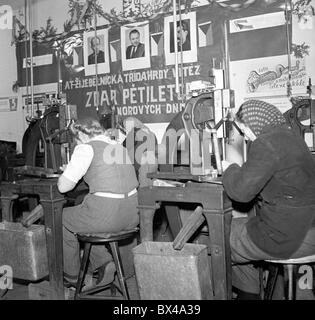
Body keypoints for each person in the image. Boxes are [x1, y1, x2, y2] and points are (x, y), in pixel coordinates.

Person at [221, 99, 315, 299]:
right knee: (241, 228)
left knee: (220, 238)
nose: (245, 135)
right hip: (309, 229)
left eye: (244, 129)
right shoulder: (292, 136)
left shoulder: (266, 142)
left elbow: (240, 193)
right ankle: (250, 294)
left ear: (254, 123)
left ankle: (245, 294)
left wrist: (228, 168)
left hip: (287, 237)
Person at [58, 117, 139, 289]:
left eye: (75, 139)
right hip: (132, 215)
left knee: (60, 218)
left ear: (81, 135)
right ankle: (103, 263)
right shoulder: (119, 147)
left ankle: (71, 277)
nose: (75, 142)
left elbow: (63, 187)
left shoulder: (85, 148)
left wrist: (68, 171)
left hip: (107, 216)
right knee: (83, 215)